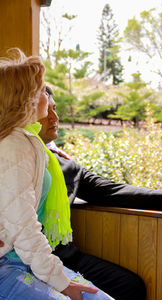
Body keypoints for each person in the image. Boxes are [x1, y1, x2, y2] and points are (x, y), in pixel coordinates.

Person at [38, 86, 162, 300]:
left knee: (129, 286)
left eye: (55, 109)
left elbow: (106, 190)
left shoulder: (62, 163)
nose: (55, 117)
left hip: (64, 256)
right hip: (27, 259)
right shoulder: (13, 157)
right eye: (45, 111)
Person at [0, 49, 114, 300]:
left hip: (25, 259)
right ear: (25, 99)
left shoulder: (27, 143)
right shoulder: (14, 145)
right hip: (9, 265)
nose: (46, 95)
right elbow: (23, 226)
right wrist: (60, 282)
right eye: (41, 90)